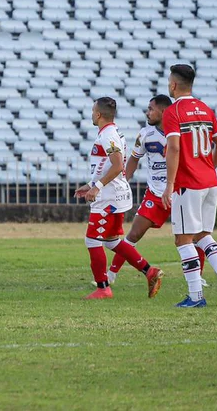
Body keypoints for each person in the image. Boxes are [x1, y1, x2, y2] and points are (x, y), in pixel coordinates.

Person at [161, 64, 217, 308]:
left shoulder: (173, 112)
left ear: (173, 84)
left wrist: (169, 185)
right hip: (209, 182)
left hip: (187, 185)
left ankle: (195, 297)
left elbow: (173, 147)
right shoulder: (205, 109)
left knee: (183, 240)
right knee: (204, 235)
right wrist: (209, 167)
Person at [75, 97, 163, 300]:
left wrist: (97, 187)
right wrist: (89, 185)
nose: (91, 114)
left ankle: (103, 288)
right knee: (112, 241)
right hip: (115, 194)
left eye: (92, 111)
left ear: (98, 114)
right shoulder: (113, 133)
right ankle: (149, 271)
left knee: (92, 240)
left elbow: (116, 166)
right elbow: (106, 165)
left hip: (109, 196)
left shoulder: (107, 136)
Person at [112, 95, 205, 286]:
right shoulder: (145, 134)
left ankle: (199, 277)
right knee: (134, 234)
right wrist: (122, 182)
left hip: (180, 192)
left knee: (195, 236)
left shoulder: (179, 132)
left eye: (151, 109)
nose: (147, 112)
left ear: (163, 112)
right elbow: (133, 160)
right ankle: (111, 274)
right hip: (155, 194)